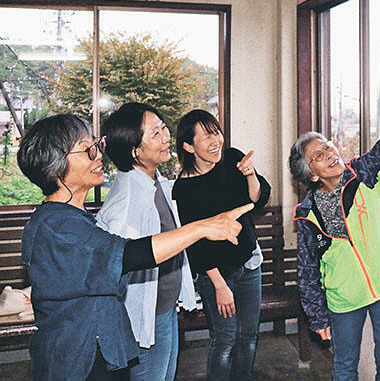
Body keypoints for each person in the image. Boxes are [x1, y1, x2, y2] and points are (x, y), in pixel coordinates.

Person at [17, 114, 250, 381]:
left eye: (98, 146)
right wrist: (201, 227)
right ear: (56, 166)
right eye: (88, 149)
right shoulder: (55, 225)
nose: (98, 157)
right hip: (76, 360)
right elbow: (128, 254)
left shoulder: (74, 217)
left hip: (102, 349)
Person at [289, 82, 380, 381]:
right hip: (344, 299)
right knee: (344, 367)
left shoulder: (362, 174)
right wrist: (316, 316)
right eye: (318, 154)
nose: (329, 152)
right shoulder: (307, 215)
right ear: (311, 174)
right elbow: (307, 269)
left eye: (328, 145)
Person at [96, 102, 196, 381]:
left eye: (164, 128)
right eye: (156, 133)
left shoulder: (153, 180)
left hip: (164, 306)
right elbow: (116, 262)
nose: (166, 137)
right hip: (145, 315)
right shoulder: (128, 198)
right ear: (134, 150)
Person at [172, 109, 271, 381]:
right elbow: (195, 245)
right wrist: (219, 285)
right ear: (188, 146)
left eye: (216, 132)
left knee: (249, 336)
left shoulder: (233, 160)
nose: (215, 140)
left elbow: (256, 201)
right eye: (206, 136)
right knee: (225, 340)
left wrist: (250, 175)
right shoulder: (184, 188)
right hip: (217, 274)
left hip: (249, 263)